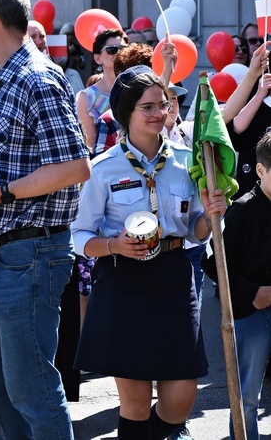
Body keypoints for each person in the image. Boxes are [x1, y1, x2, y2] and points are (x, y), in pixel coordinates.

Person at [0, 0, 90, 440]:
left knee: (31, 388)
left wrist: (0, 193)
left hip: (28, 255)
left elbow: (75, 167)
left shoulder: (37, 77)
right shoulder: (1, 76)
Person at [71, 65, 227, 440]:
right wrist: (114, 246)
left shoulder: (187, 161)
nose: (160, 113)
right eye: (148, 107)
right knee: (136, 402)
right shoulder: (102, 168)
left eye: (164, 105)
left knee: (181, 399)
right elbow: (77, 236)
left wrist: (212, 213)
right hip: (123, 282)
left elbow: (195, 231)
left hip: (173, 278)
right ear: (126, 113)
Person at [201, 133, 271, 440]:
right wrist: (252, 292)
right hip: (251, 313)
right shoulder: (242, 209)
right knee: (247, 393)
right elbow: (213, 262)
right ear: (260, 170)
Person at [76, 29, 127, 156]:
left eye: (124, 49)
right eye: (112, 50)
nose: (119, 53)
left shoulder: (137, 90)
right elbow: (90, 146)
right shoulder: (86, 97)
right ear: (98, 58)